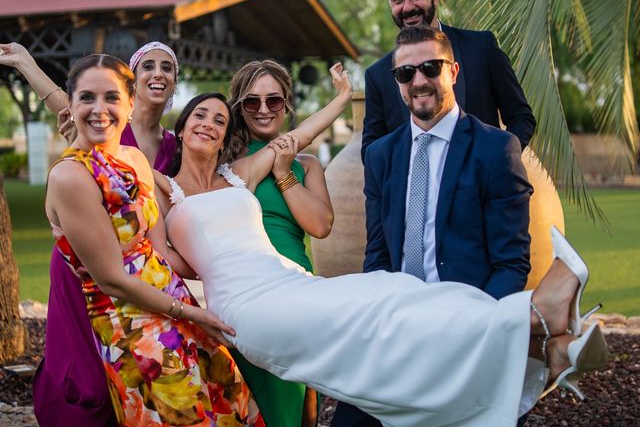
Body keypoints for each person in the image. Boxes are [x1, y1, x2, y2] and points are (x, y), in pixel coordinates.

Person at [153, 63, 609, 427]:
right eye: (200, 116)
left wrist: (338, 97)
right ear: (181, 124)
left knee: (392, 291)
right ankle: (533, 321)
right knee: (362, 321)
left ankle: (538, 341)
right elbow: (158, 243)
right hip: (244, 307)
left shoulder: (240, 174)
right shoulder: (161, 187)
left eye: (218, 118)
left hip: (290, 281)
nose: (210, 125)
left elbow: (302, 135)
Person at [44, 53, 264, 426]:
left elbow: (157, 249)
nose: (100, 109)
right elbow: (112, 278)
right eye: (86, 97)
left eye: (112, 97)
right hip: (134, 327)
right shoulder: (70, 177)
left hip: (176, 302)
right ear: (71, 103)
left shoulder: (134, 158)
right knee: (183, 416)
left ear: (130, 103)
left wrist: (220, 277)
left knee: (230, 408)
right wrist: (193, 313)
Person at [334, 24, 535, 427]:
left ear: (454, 71)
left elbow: (511, 265)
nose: (419, 81)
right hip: (396, 327)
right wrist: (384, 318)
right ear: (397, 83)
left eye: (430, 67)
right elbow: (377, 256)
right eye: (406, 73)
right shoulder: (381, 156)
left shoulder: (496, 150)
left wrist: (467, 329)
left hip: (466, 329)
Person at [0, 41, 180, 425]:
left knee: (139, 383)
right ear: (135, 78)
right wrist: (25, 62)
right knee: (87, 379)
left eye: (167, 67)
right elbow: (69, 102)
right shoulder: (107, 126)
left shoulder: (174, 146)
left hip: (141, 276)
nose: (158, 73)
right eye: (148, 65)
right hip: (84, 271)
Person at [226, 60, 333, 427]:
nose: (264, 109)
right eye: (252, 102)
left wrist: (285, 173)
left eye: (273, 100)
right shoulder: (225, 163)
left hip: (296, 292)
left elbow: (319, 226)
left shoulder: (308, 165)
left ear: (287, 104)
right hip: (243, 295)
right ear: (238, 107)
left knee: (296, 404)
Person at [361, 0, 536, 158]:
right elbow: (370, 150)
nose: (408, 7)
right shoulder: (377, 75)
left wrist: (497, 162)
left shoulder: (482, 48)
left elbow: (521, 117)